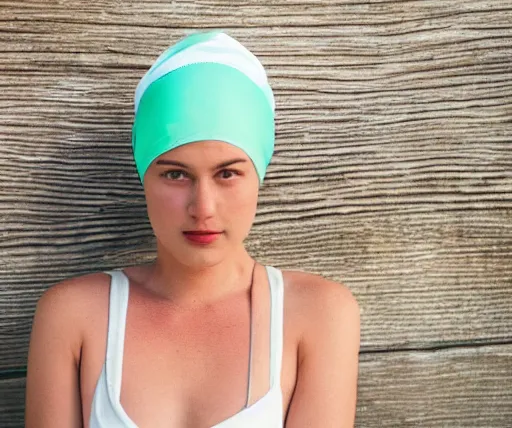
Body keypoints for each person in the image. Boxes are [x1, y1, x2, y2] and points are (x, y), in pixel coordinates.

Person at [25, 30, 360, 427]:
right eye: (176, 174)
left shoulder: (318, 315)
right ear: (142, 175)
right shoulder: (73, 316)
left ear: (260, 175)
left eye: (228, 173)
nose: (203, 208)